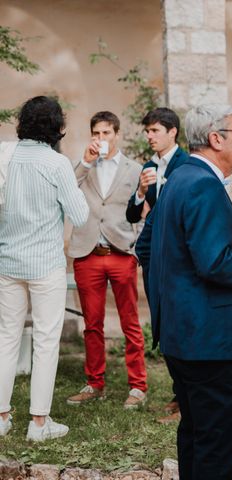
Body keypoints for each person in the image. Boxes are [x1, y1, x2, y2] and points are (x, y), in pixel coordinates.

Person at [147, 104, 232, 480]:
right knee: (217, 445)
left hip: (183, 334)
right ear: (216, 139)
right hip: (211, 341)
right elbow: (214, 263)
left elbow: (149, 249)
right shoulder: (203, 184)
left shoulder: (177, 179)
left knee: (195, 435)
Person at [0, 96, 89, 441]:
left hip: (7, 261)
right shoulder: (57, 164)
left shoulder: (4, 154)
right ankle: (38, 424)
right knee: (46, 341)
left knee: (6, 338)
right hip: (44, 265)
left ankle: (3, 417)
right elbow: (80, 216)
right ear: (57, 127)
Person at [66, 111, 148, 409]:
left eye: (106, 133)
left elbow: (140, 210)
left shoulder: (135, 168)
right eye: (96, 134)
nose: (100, 139)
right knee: (92, 323)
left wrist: (135, 244)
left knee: (130, 321)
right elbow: (67, 190)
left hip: (120, 253)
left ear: (117, 134)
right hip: (88, 254)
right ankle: (94, 383)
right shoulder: (82, 166)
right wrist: (86, 162)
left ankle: (138, 386)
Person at [126, 107, 189, 424]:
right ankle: (180, 393)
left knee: (180, 323)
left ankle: (187, 399)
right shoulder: (148, 167)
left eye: (154, 131)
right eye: (147, 131)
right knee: (162, 324)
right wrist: (140, 191)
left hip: (179, 259)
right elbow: (132, 215)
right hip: (152, 257)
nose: (149, 136)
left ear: (172, 131)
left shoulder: (187, 165)